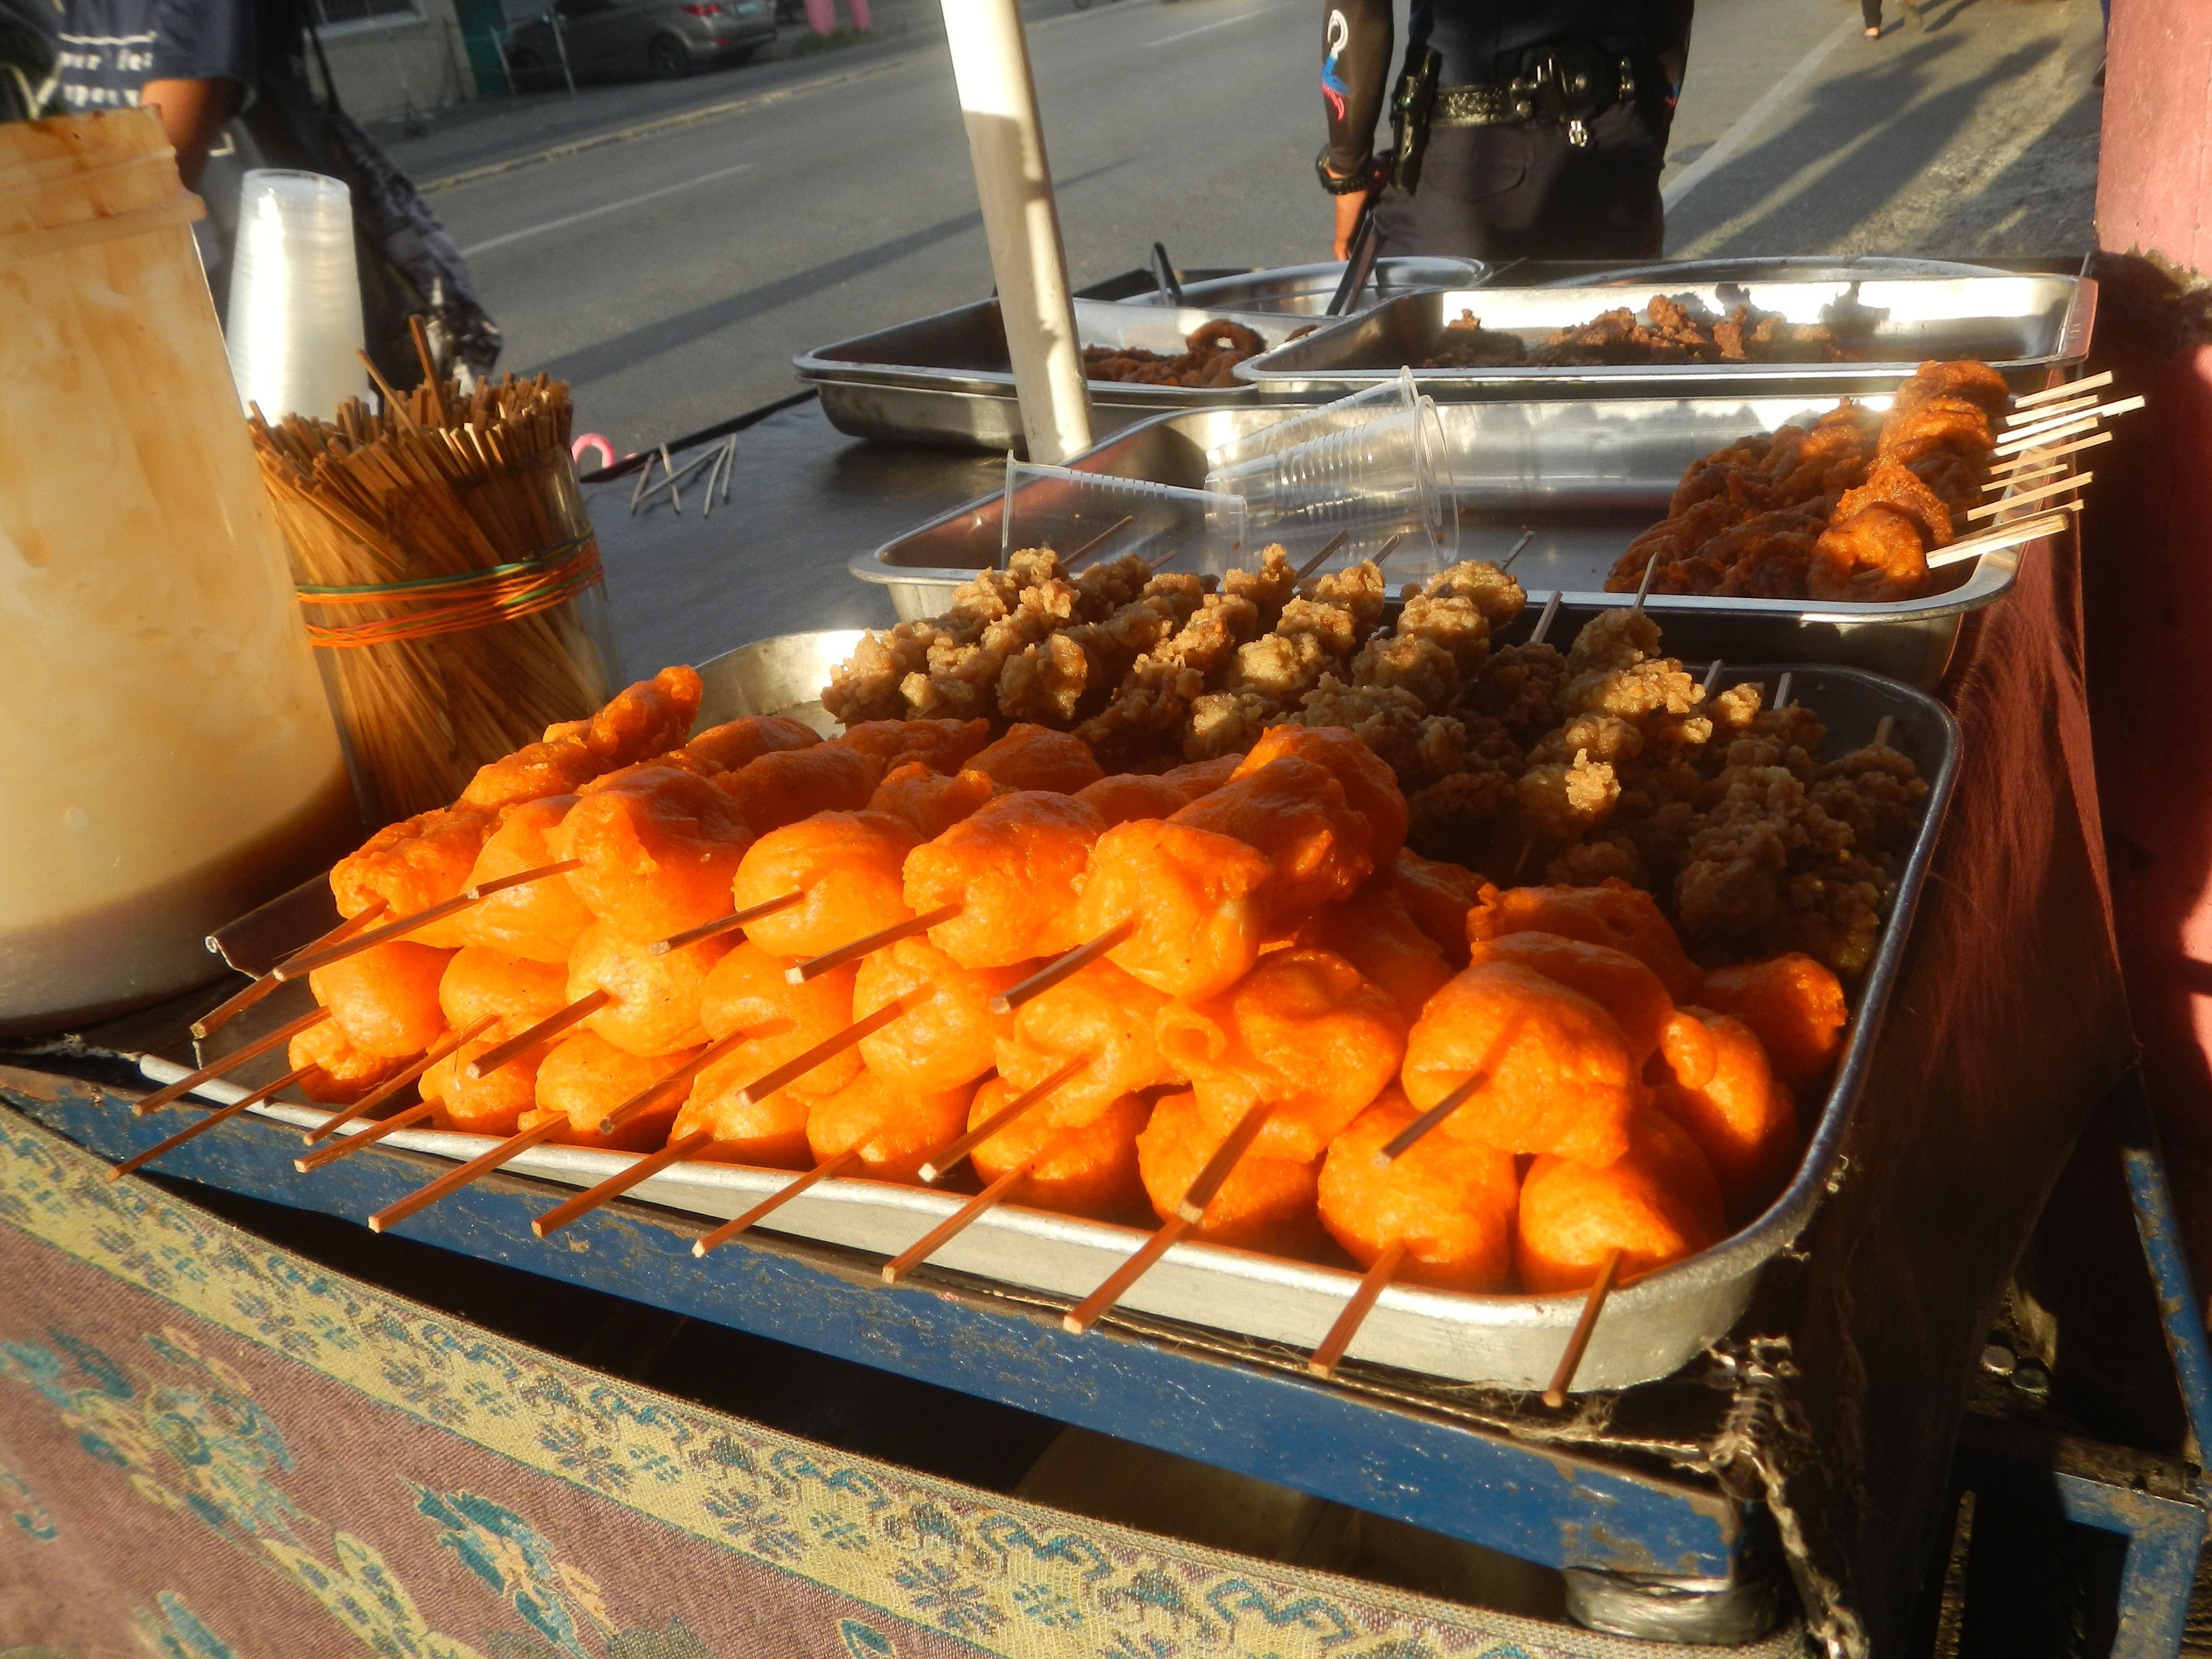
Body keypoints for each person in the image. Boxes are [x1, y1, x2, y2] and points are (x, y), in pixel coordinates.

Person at [1319, 0, 1696, 263]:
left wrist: (1347, 171)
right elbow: (1670, 17)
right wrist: (1645, 162)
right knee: (1609, 352)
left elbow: (1359, 11)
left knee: (1405, 357)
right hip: (1613, 147)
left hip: (1472, 169)